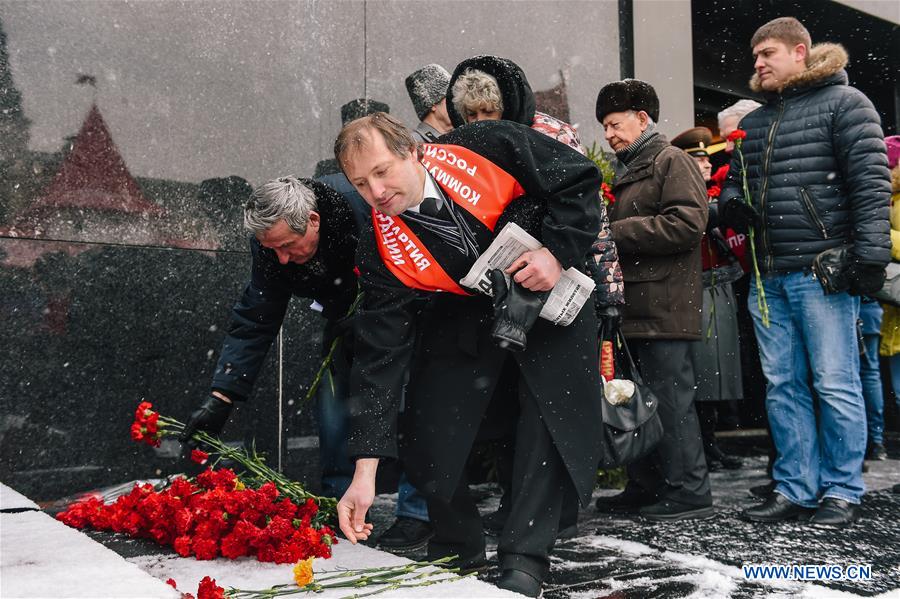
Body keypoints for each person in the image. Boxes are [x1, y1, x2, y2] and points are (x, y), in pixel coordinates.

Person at [334, 112, 604, 597]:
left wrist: (556, 252)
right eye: (360, 183)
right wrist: (365, 471)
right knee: (429, 423)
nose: (376, 192)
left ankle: (524, 558)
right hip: (468, 315)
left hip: (549, 293)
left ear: (413, 151)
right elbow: (380, 356)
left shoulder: (486, 144)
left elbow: (578, 179)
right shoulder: (379, 247)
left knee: (545, 420)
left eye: (382, 171)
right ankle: (457, 543)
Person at [718, 17, 891, 527]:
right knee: (783, 386)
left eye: (767, 53)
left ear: (800, 51)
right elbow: (735, 182)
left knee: (835, 383)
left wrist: (870, 258)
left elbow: (870, 185)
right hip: (768, 276)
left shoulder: (847, 103)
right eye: (755, 57)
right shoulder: (755, 122)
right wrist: (731, 203)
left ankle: (842, 490)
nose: (758, 63)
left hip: (823, 272)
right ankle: (795, 487)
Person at [445, 54, 625, 539]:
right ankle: (520, 506)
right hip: (498, 291)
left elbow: (593, 217)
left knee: (549, 407)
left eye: (490, 112)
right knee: (510, 406)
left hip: (554, 282)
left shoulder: (550, 135)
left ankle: (551, 511)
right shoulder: (460, 146)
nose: (481, 123)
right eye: (471, 115)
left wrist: (608, 289)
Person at [178, 177, 360, 490]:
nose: (282, 259)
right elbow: (256, 317)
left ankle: (417, 510)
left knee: (413, 413)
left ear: (313, 221)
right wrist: (222, 396)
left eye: (287, 245)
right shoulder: (271, 249)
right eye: (272, 249)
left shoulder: (361, 208)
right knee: (334, 414)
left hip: (401, 318)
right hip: (343, 324)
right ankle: (341, 498)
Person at [594, 79, 712, 521]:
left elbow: (687, 225)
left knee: (670, 403)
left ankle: (689, 491)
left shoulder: (672, 160)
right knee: (636, 401)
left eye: (615, 124)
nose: (609, 134)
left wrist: (615, 233)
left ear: (642, 119)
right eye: (605, 127)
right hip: (638, 308)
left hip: (665, 306)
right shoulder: (633, 168)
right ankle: (646, 485)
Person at [671, 126, 744, 473]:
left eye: (705, 159)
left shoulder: (714, 194)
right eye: (697, 160)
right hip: (694, 288)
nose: (705, 164)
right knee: (701, 371)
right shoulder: (681, 196)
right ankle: (701, 445)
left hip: (719, 284)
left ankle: (711, 441)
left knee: (717, 372)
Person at [405, 64, 453, 143]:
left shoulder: (459, 138)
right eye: (450, 98)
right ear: (433, 104)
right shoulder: (414, 144)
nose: (457, 104)